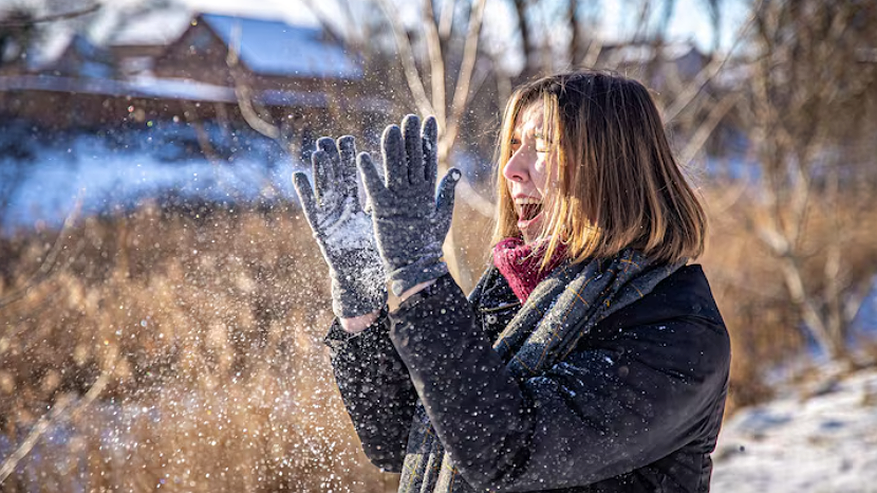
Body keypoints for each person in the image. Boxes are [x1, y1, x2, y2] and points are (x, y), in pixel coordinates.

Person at [292, 70, 731, 493]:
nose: (511, 170)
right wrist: (361, 305)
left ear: (610, 169)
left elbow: (506, 449)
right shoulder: (509, 291)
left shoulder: (676, 330)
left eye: (541, 147)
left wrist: (420, 280)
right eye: (515, 144)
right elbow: (406, 439)